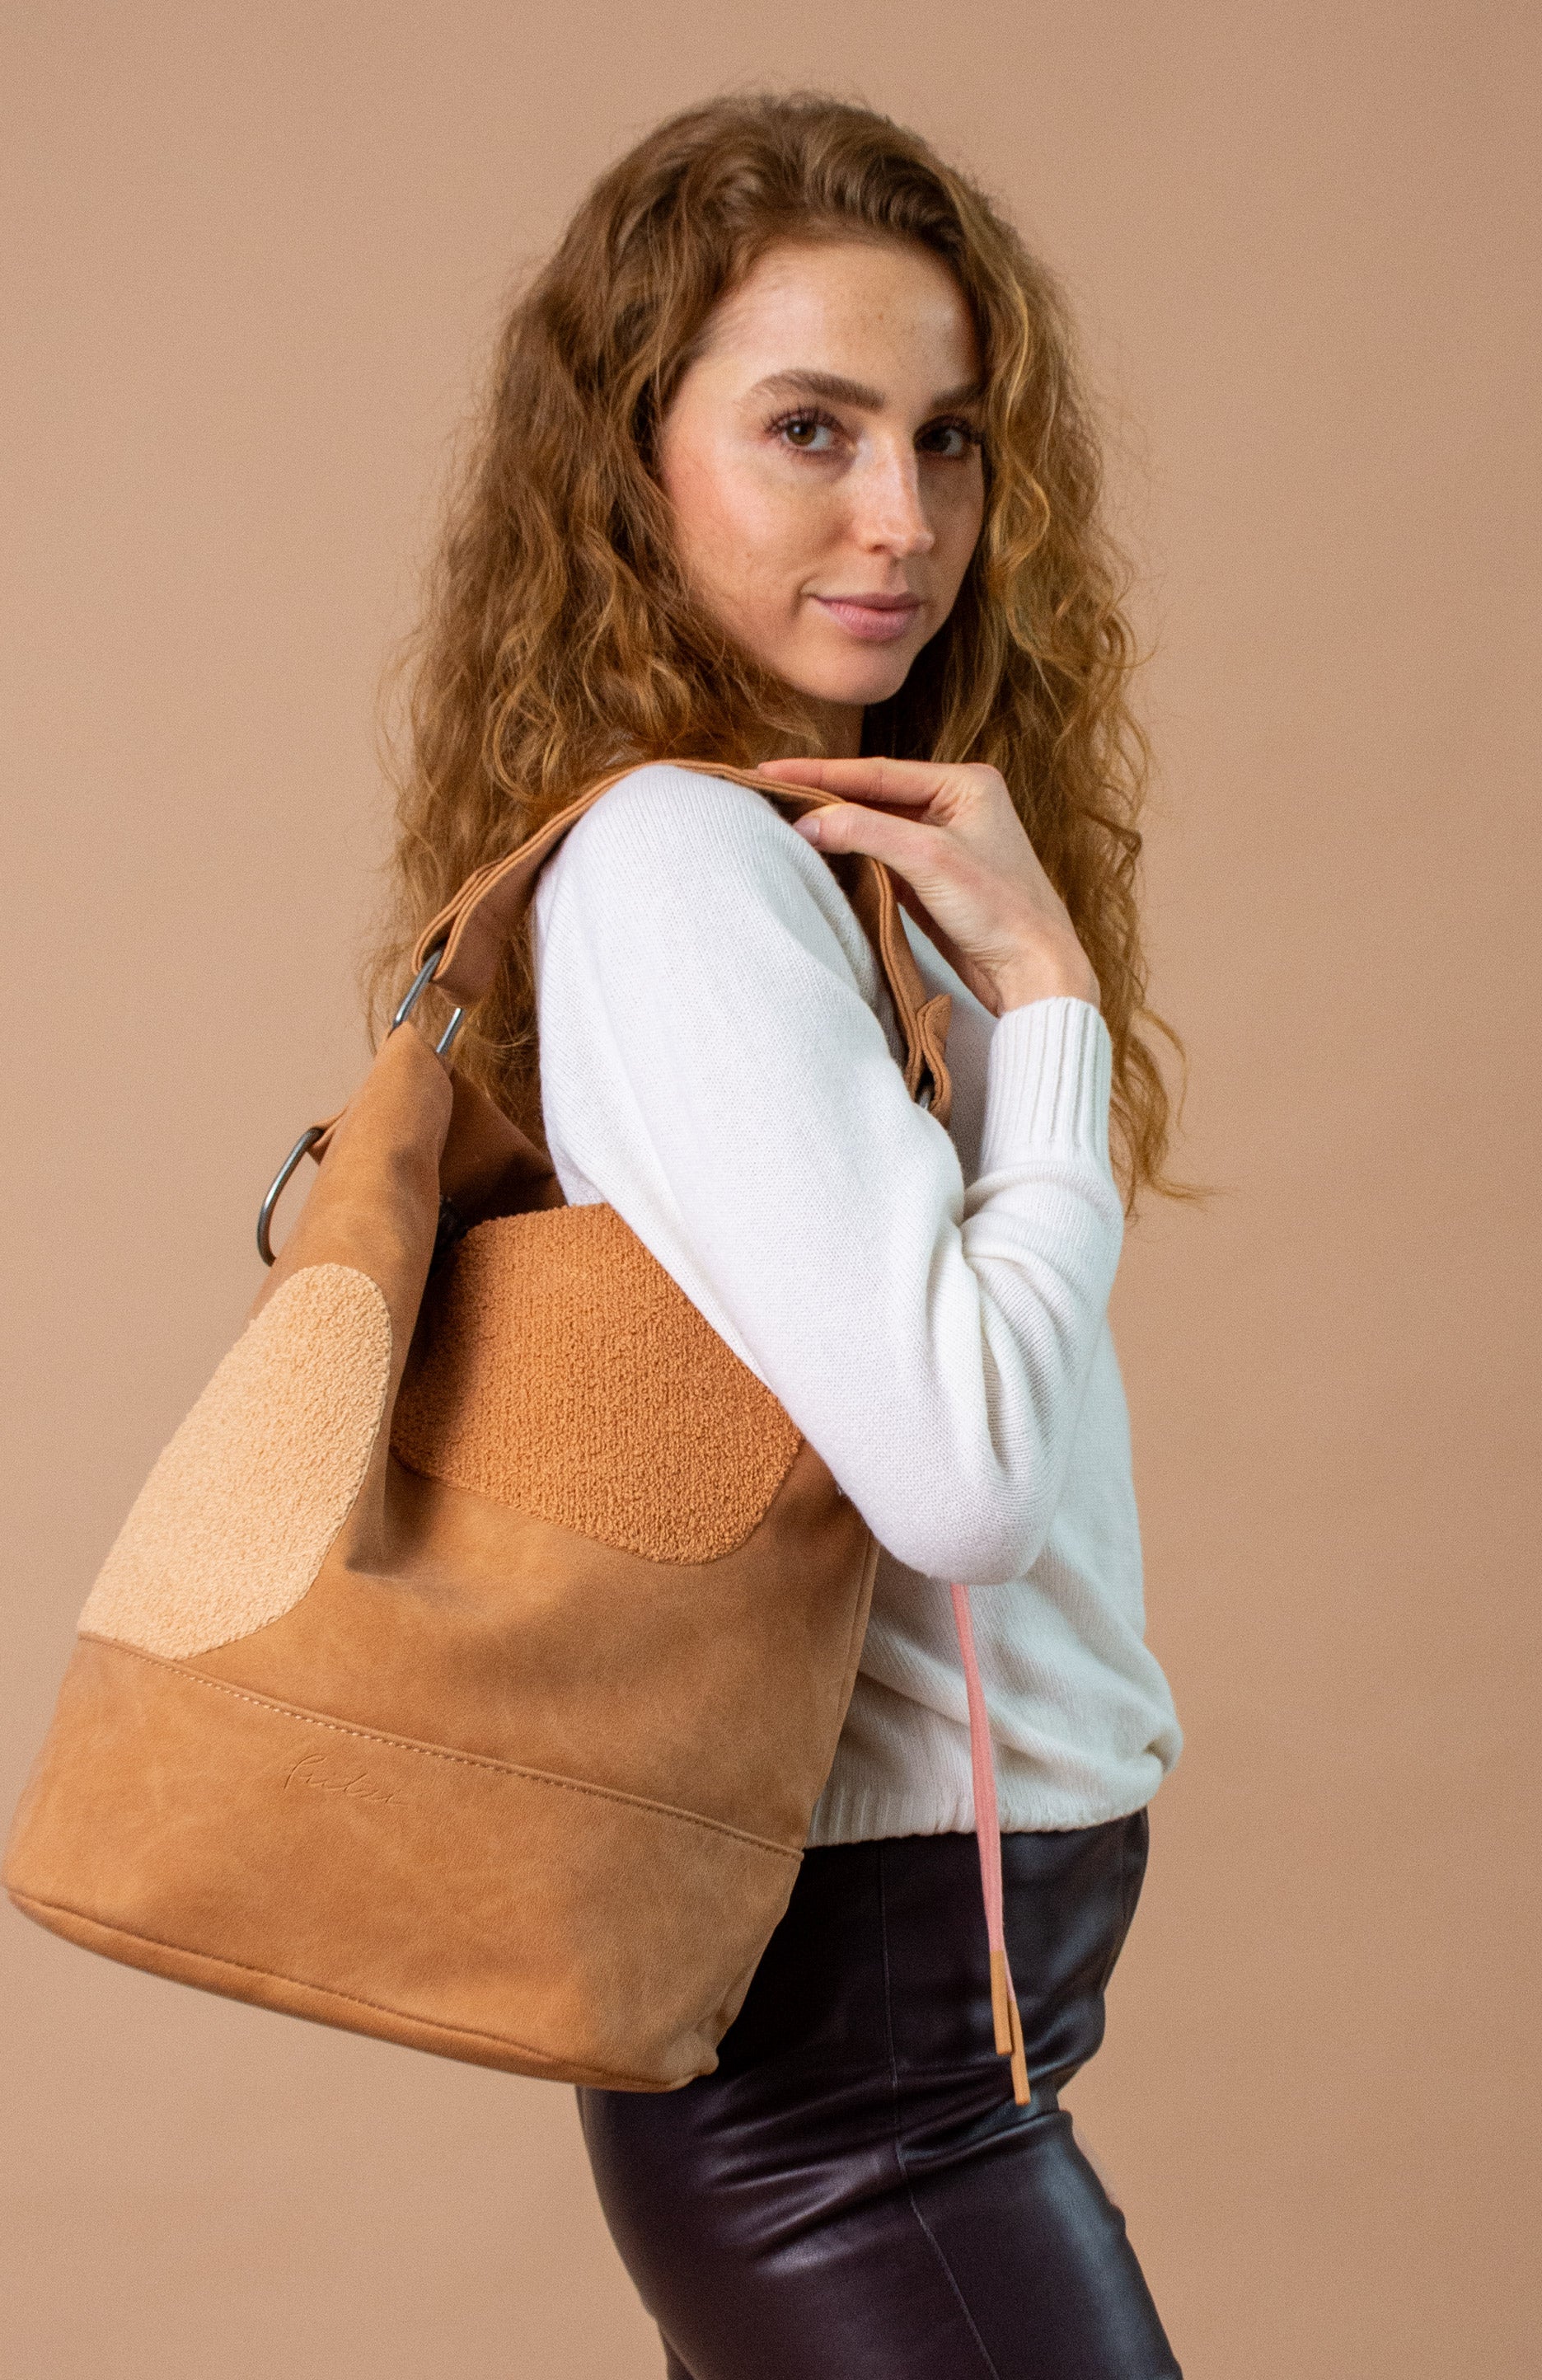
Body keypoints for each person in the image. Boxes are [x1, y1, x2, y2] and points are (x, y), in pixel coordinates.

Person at [370, 89, 1188, 2380]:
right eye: (809, 430)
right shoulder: (683, 864)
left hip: (916, 2030)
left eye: (947, 439)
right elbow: (964, 1482)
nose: (899, 517)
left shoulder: (808, 855)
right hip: (861, 2081)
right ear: (631, 459)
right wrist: (1052, 1009)